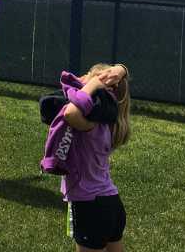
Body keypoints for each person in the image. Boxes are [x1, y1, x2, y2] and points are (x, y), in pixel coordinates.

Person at [58, 64, 131, 252]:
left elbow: (70, 113)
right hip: (112, 202)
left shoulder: (91, 126)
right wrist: (121, 69)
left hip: (90, 205)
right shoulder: (109, 125)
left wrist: (95, 82)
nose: (83, 80)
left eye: (89, 79)